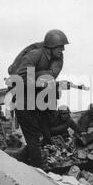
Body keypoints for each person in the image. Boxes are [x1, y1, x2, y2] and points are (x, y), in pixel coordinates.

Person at [8, 29, 68, 167]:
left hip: (35, 98)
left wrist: (35, 74)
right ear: (51, 46)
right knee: (33, 137)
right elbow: (20, 78)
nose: (62, 50)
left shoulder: (57, 59)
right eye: (59, 47)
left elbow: (51, 76)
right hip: (21, 96)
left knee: (42, 134)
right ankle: (38, 168)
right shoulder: (34, 55)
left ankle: (21, 160)